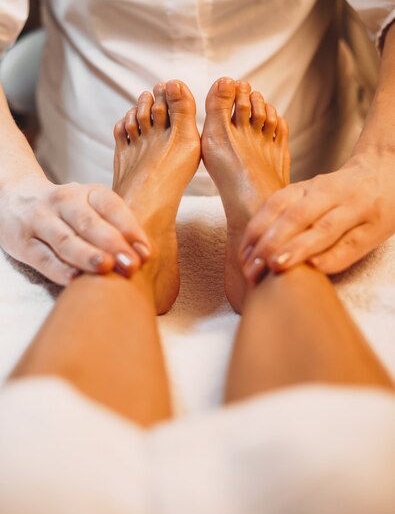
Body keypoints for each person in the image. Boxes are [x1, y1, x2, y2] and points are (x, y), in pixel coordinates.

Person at [0, 0, 394, 286]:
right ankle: (147, 233)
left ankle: (244, 228)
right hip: (83, 184)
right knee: (115, 253)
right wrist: (12, 185)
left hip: (310, 184)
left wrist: (382, 161)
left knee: (121, 278)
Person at [9, 78, 393, 428]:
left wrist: (385, 159)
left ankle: (132, 243)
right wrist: (10, 183)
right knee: (347, 452)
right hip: (75, 148)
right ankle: (264, 241)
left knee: (49, 450)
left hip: (318, 136)